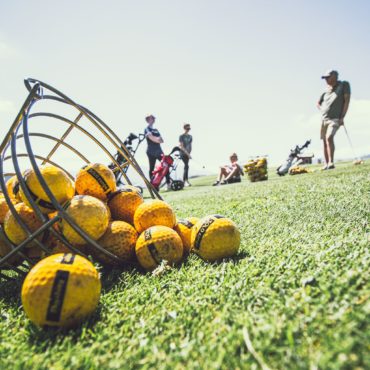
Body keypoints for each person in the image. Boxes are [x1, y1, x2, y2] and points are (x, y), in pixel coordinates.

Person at [317, 69, 351, 170]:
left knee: (329, 137)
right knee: (324, 140)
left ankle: (331, 162)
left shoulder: (344, 85)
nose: (326, 80)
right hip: (324, 119)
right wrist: (322, 109)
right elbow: (318, 103)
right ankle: (326, 164)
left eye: (328, 77)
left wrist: (342, 117)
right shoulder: (325, 90)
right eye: (325, 78)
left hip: (335, 118)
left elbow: (346, 101)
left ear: (335, 76)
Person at [144, 115, 171, 189]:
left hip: (159, 151)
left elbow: (161, 140)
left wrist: (156, 138)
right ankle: (153, 185)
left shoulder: (156, 130)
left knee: (165, 165)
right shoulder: (146, 129)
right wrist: (157, 139)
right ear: (148, 120)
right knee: (152, 168)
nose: (153, 119)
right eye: (152, 118)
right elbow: (151, 138)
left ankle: (168, 183)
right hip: (150, 152)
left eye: (154, 118)